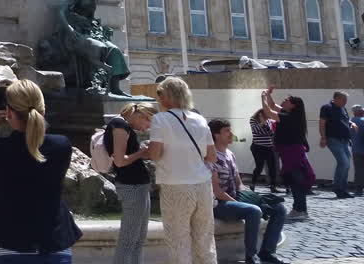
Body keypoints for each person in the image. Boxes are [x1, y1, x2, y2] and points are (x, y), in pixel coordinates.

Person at [0, 79, 81, 262]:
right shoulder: (62, 146)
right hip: (55, 244)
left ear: (8, 113)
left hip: (11, 245)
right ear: (43, 110)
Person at [145, 76, 217, 264]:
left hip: (175, 185)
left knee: (178, 241)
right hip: (202, 185)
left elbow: (154, 154)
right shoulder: (200, 119)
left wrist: (144, 150)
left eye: (160, 94)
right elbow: (212, 156)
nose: (158, 99)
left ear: (168, 96)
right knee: (205, 239)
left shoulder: (160, 119)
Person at [209, 118, 288, 264]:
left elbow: (239, 184)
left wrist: (253, 197)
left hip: (235, 198)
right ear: (216, 135)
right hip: (219, 204)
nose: (231, 134)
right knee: (254, 211)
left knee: (279, 209)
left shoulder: (230, 154)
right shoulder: (211, 157)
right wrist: (239, 203)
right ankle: (251, 256)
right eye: (226, 131)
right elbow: (217, 192)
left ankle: (267, 252)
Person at [106, 102, 155, 264]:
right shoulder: (119, 125)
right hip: (131, 187)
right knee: (128, 241)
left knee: (138, 240)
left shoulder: (123, 125)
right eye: (148, 123)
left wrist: (141, 152)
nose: (146, 128)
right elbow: (120, 161)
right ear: (141, 115)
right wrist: (141, 152)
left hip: (138, 186)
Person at [272, 93, 313, 220]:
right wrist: (267, 95)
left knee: (295, 181)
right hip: (292, 152)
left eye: (287, 100)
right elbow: (273, 106)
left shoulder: (288, 117)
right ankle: (300, 209)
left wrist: (263, 98)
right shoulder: (291, 115)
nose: (283, 101)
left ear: (293, 105)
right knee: (295, 180)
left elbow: (269, 111)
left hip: (292, 152)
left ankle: (299, 210)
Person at [318, 91, 357, 198]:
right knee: (344, 163)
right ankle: (339, 189)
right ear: (336, 98)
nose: (345, 102)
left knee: (346, 164)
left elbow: (345, 120)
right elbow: (322, 123)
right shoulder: (327, 107)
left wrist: (352, 123)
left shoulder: (342, 108)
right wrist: (323, 137)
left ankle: (342, 189)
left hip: (345, 140)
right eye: (343, 100)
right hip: (333, 139)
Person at [250, 87, 281, 193]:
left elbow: (271, 133)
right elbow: (256, 131)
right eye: (266, 115)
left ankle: (273, 186)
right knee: (259, 166)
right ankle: (253, 184)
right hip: (258, 146)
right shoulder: (253, 119)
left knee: (272, 166)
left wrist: (265, 125)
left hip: (269, 146)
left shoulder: (269, 121)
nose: (268, 117)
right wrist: (262, 123)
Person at [350, 104, 364, 196]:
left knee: (358, 169)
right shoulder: (363, 120)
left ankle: (358, 188)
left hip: (355, 149)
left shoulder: (350, 121)